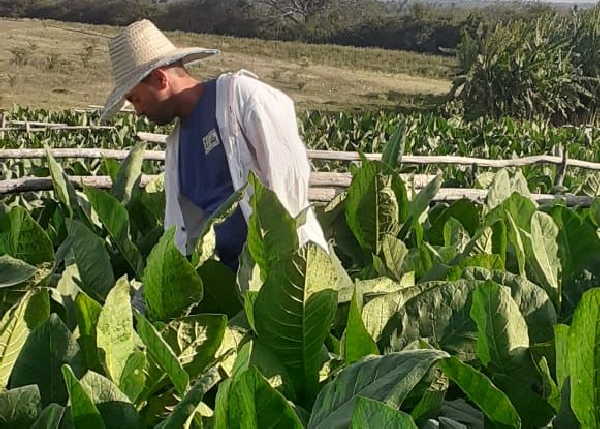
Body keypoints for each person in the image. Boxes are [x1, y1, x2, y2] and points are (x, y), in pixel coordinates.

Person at [100, 19, 327, 270]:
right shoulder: (176, 144)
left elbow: (289, 181)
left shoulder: (242, 96)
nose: (137, 111)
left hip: (284, 271)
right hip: (229, 289)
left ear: (159, 78)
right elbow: (185, 229)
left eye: (136, 99)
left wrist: (279, 264)